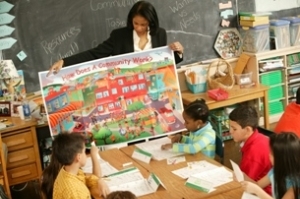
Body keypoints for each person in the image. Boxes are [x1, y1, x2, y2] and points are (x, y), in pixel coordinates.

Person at [48, 1, 184, 76]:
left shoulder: (159, 34)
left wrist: (178, 52)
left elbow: (165, 62)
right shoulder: (119, 36)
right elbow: (95, 54)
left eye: (144, 24)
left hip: (154, 85)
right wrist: (64, 61)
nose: (139, 28)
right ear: (131, 20)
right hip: (126, 86)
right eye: (136, 23)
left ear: (151, 22)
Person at [241, 132, 300, 199]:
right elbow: (258, 185)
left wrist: (257, 191)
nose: (269, 155)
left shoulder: (296, 182)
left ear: (282, 159)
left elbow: (257, 188)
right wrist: (244, 177)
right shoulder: (275, 170)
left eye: (272, 154)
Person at [229, 105, 272, 195]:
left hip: (263, 193)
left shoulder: (253, 153)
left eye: (234, 129)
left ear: (248, 130)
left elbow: (243, 183)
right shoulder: (260, 137)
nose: (230, 131)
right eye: (230, 127)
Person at [51, 133, 109, 199]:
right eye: (84, 151)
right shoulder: (75, 192)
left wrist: (99, 180)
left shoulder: (66, 171)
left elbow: (86, 177)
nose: (86, 155)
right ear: (78, 157)